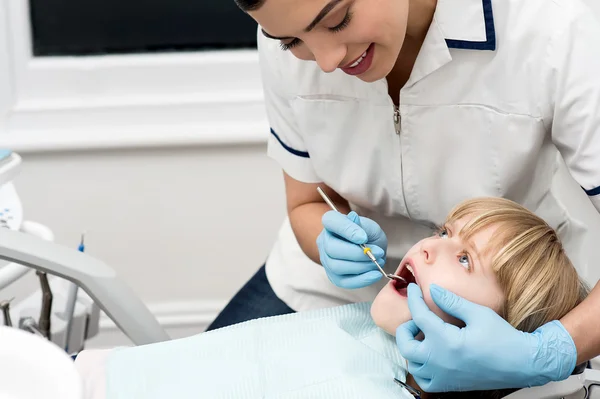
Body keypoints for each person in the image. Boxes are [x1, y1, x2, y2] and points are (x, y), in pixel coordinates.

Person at [206, 0, 600, 391]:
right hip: (327, 289)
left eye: (338, 20)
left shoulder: (556, 24)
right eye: (291, 41)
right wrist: (328, 241)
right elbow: (308, 201)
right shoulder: (286, 18)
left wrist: (548, 351)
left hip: (504, 305)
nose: (325, 62)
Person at [83, 197, 588, 398]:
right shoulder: (364, 328)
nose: (430, 245)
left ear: (503, 334)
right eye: (444, 231)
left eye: (465, 260)